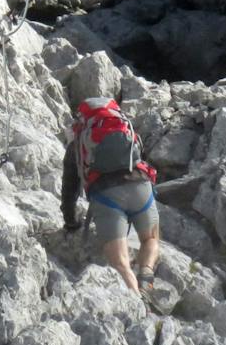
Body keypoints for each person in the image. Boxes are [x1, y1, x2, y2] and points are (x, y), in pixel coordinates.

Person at [61, 97, 160, 295]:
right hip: (141, 187)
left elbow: (69, 189)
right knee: (150, 240)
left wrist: (72, 223)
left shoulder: (78, 142)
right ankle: (146, 276)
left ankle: (139, 303)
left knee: (121, 263)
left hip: (107, 197)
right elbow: (140, 157)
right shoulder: (125, 128)